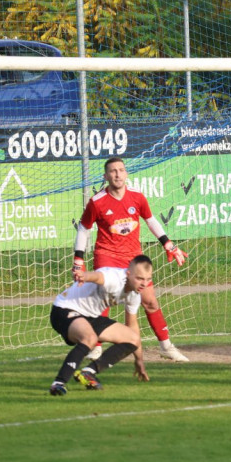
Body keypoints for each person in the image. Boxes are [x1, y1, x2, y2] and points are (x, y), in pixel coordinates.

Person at [74, 156, 189, 362]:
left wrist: (168, 244)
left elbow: (151, 220)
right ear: (106, 176)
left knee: (150, 301)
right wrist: (78, 260)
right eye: (113, 171)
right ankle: (96, 346)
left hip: (134, 258)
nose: (117, 174)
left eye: (121, 170)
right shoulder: (97, 202)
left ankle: (166, 346)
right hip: (107, 255)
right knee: (103, 301)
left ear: (126, 173)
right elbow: (83, 228)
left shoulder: (137, 197)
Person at [48, 255, 153, 396]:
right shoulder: (115, 278)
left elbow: (132, 327)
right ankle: (58, 383)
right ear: (128, 273)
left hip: (90, 317)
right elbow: (98, 276)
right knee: (89, 339)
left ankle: (88, 372)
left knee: (133, 338)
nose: (144, 284)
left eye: (148, 279)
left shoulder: (134, 295)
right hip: (64, 309)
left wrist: (139, 360)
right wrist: (85, 275)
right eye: (140, 278)